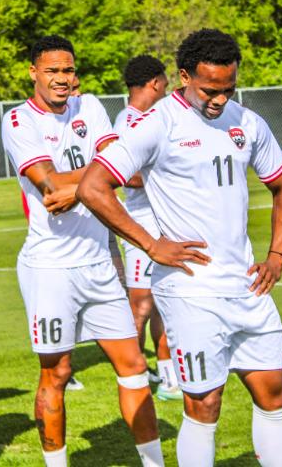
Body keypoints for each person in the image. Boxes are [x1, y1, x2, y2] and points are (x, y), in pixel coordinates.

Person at [78, 28, 282, 466]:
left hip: (247, 286)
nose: (219, 100)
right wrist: (151, 244)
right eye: (209, 90)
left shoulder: (247, 122)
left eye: (228, 89)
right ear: (183, 77)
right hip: (190, 290)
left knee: (277, 391)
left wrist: (276, 255)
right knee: (204, 403)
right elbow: (93, 186)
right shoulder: (158, 124)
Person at [0, 35, 163, 467]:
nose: (61, 79)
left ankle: (155, 462)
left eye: (68, 71)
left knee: (132, 365)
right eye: (52, 71)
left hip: (99, 267)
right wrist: (93, 180)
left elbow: (123, 170)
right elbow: (49, 186)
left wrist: (83, 186)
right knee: (57, 372)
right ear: (33, 72)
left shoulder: (89, 107)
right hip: (51, 268)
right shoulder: (18, 120)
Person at [112, 55, 181, 400]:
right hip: (140, 227)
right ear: (154, 83)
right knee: (139, 306)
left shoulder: (154, 119)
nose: (168, 88)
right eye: (165, 82)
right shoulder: (128, 121)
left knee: (163, 302)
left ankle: (168, 375)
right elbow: (126, 174)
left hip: (163, 225)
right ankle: (133, 373)